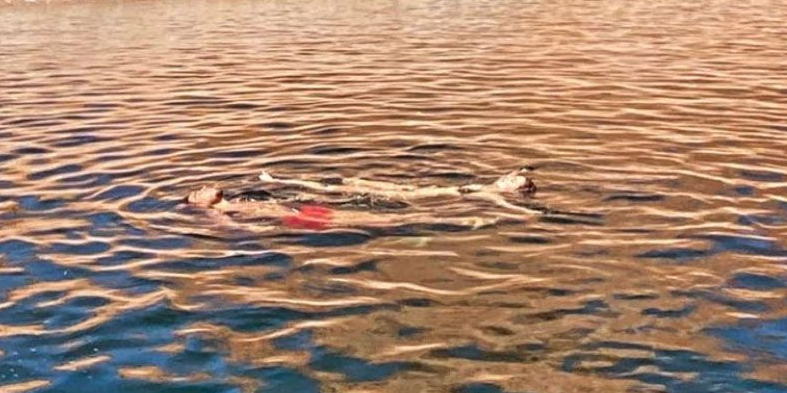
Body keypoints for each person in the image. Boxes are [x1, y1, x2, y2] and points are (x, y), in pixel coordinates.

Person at [184, 167, 538, 227]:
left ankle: (454, 217)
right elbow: (244, 232)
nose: (203, 188)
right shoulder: (220, 213)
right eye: (196, 193)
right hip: (296, 219)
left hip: (300, 208)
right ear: (201, 204)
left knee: (379, 212)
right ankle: (457, 221)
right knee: (381, 220)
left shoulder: (239, 198)